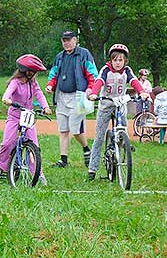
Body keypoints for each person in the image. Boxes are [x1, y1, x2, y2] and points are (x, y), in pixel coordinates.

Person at [87, 44, 149, 180]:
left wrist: (142, 92)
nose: (118, 63)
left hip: (121, 103)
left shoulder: (127, 71)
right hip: (106, 104)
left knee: (123, 132)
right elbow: (99, 81)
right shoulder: (105, 70)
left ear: (125, 61)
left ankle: (123, 150)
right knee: (99, 137)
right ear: (111, 60)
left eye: (120, 60)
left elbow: (134, 81)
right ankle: (92, 169)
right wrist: (93, 93)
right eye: (115, 60)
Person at [0, 54, 52, 185]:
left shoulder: (33, 83)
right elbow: (8, 93)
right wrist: (7, 99)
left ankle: (38, 173)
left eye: (34, 72)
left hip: (28, 116)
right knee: (7, 143)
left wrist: (46, 106)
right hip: (14, 115)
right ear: (23, 70)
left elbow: (39, 94)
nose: (32, 74)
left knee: (34, 145)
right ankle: (1, 167)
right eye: (30, 71)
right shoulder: (15, 82)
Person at [45, 30, 98, 168]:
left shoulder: (84, 54)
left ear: (75, 40)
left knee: (75, 130)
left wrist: (91, 88)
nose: (67, 43)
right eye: (64, 40)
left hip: (78, 96)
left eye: (69, 40)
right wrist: (50, 85)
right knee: (63, 130)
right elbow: (54, 73)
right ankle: (63, 159)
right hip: (62, 96)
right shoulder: (60, 57)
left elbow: (92, 73)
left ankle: (86, 149)